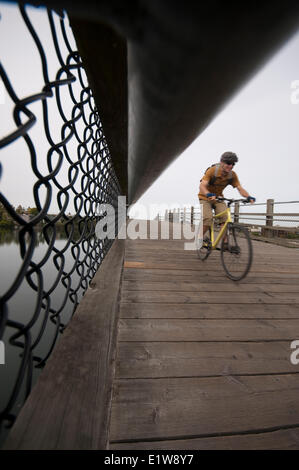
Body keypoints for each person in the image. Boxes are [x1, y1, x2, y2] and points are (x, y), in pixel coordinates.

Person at [198, 151, 255, 243]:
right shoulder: (212, 171)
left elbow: (239, 188)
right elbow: (202, 185)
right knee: (208, 218)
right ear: (221, 162)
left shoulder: (232, 175)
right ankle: (199, 238)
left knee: (225, 219)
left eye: (233, 164)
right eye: (228, 163)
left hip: (218, 198)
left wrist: (248, 196)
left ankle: (225, 243)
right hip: (205, 197)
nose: (231, 166)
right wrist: (208, 194)